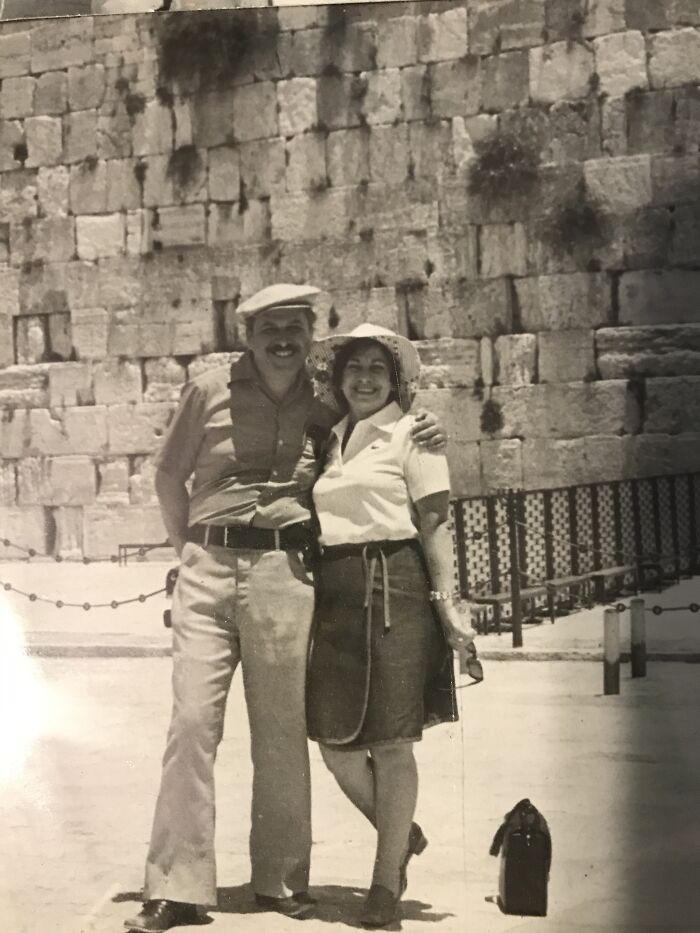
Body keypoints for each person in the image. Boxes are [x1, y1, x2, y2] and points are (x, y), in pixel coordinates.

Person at [125, 285, 445, 933]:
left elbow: (383, 430)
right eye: (270, 327)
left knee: (280, 732)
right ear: (248, 333)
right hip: (208, 568)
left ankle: (278, 879)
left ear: (309, 335)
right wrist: (187, 548)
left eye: (295, 328)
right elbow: (167, 474)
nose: (283, 340)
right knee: (191, 723)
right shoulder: (208, 390)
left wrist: (430, 423)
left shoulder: (325, 406)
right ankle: (177, 885)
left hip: (284, 570)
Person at [305, 323, 477, 928]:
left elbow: (434, 523)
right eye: (355, 367)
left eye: (379, 368)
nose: (366, 378)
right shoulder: (328, 437)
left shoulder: (414, 433)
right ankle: (400, 834)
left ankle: (384, 886)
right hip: (337, 593)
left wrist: (448, 601)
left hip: (397, 589)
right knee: (334, 744)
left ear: (397, 378)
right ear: (338, 378)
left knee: (391, 740)